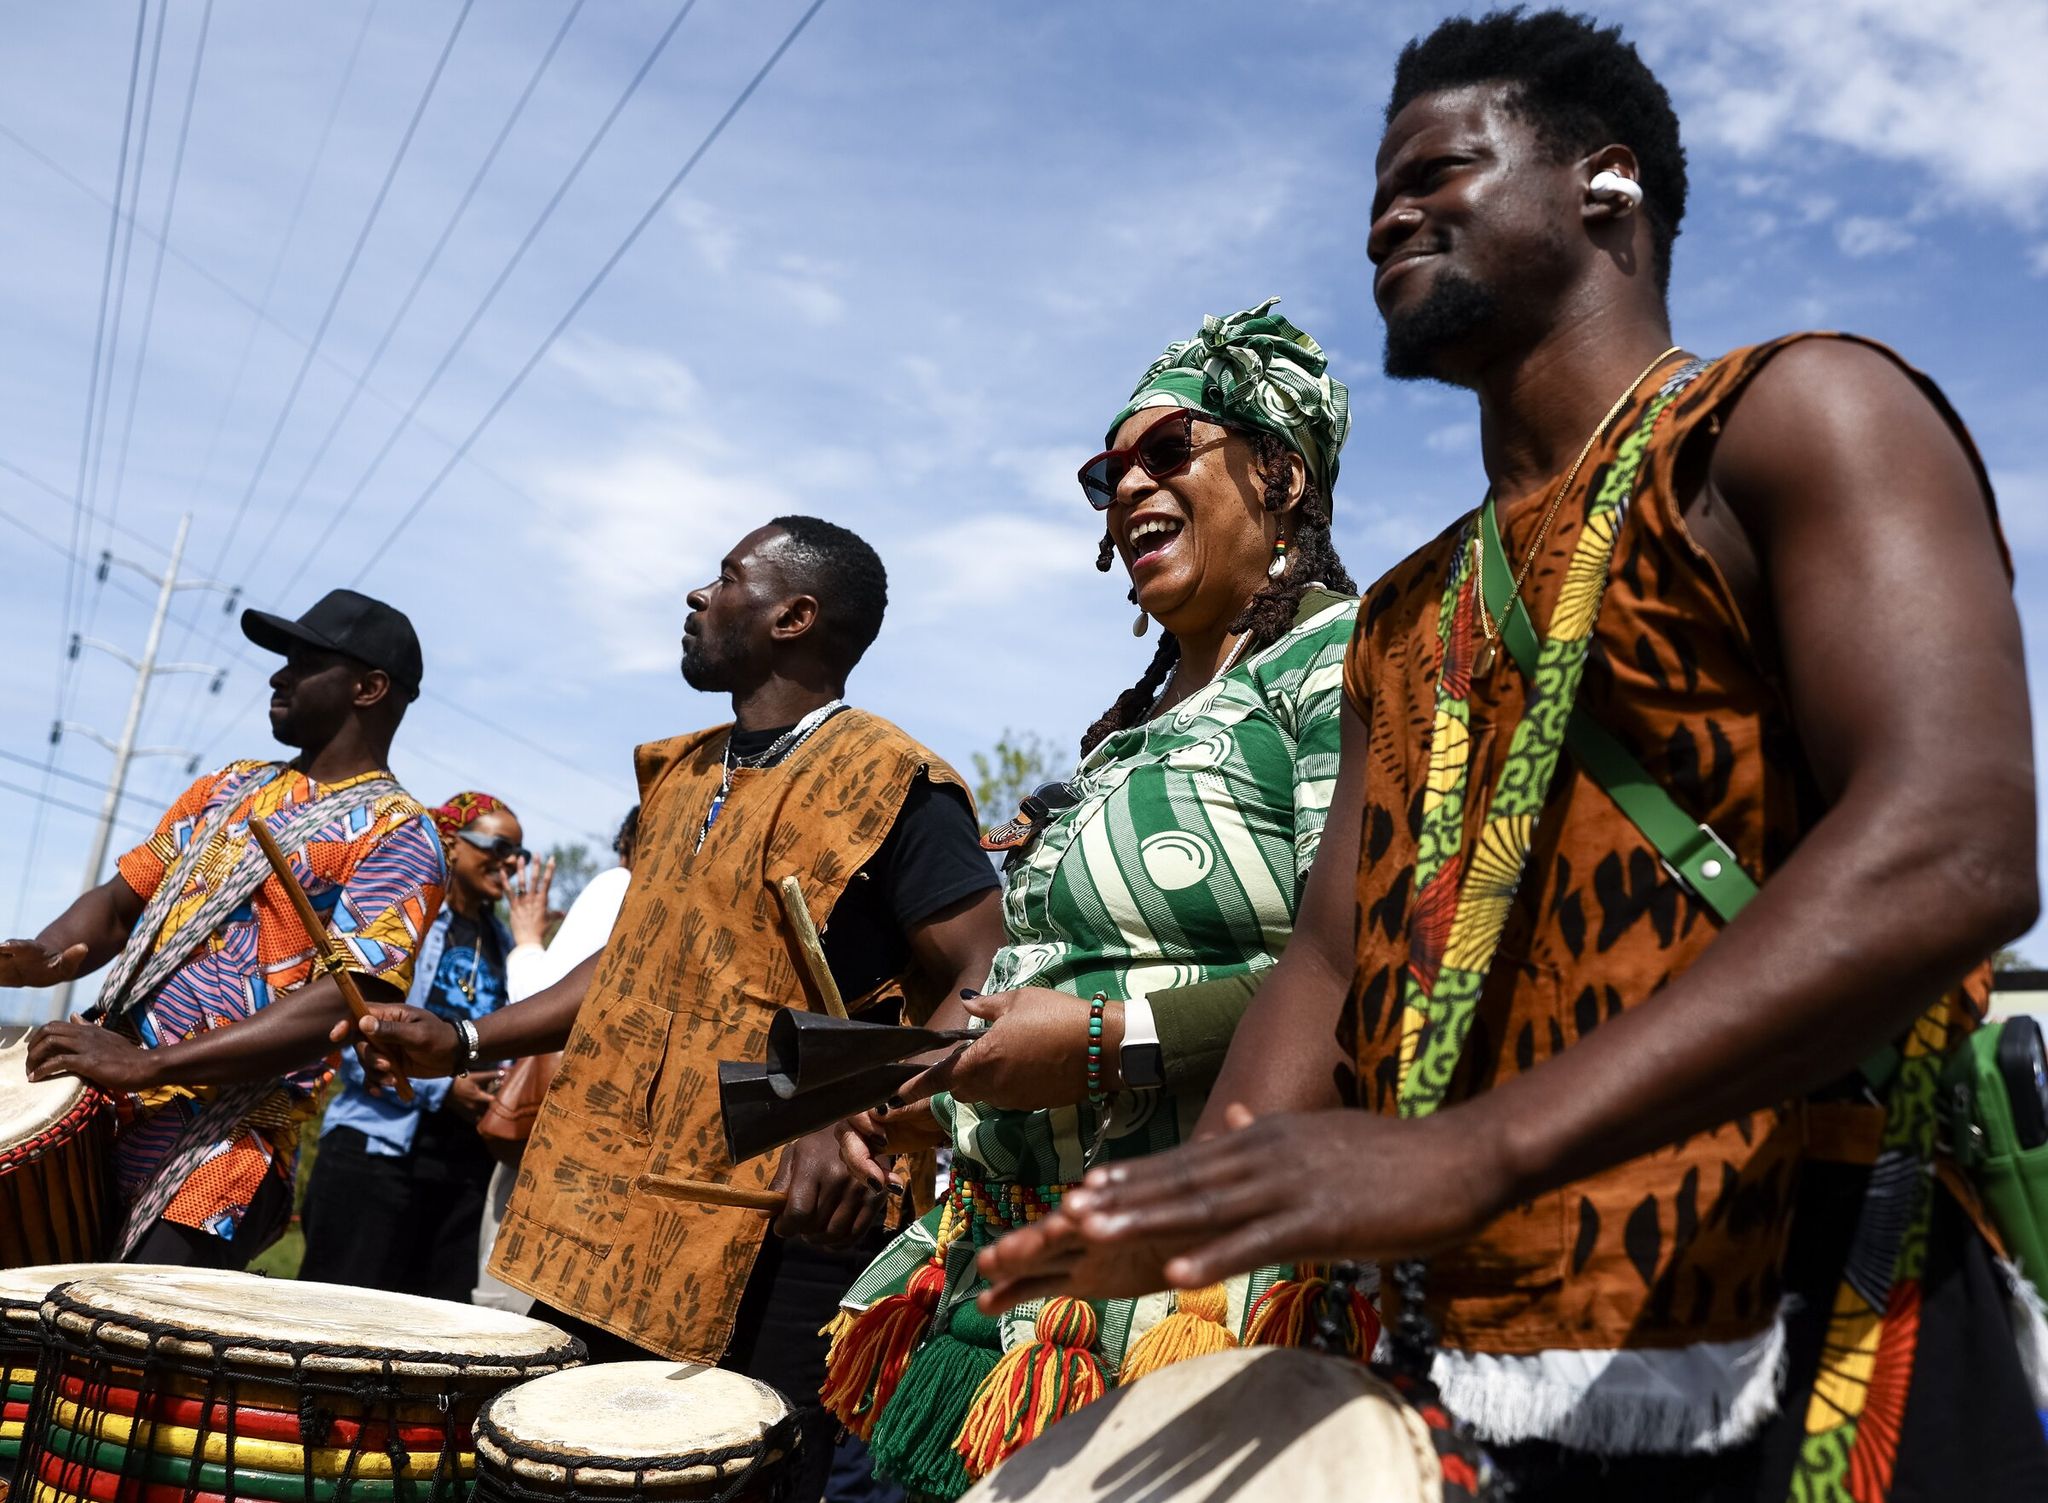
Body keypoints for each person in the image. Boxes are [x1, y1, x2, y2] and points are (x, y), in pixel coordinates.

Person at [979, 12, 2046, 1502]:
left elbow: (1959, 840)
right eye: (1375, 198)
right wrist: (1204, 1184)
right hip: (1475, 1344)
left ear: (1606, 184)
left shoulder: (1796, 415)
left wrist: (1478, 1148)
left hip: (1824, 1304)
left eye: (1441, 172)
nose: (1388, 219)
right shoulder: (1405, 614)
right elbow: (1333, 958)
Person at [337, 516, 1006, 1503]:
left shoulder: (897, 784)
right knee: (552, 1475)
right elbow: (635, 963)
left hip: (781, 1231)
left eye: (726, 578)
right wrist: (468, 1036)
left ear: (794, 615)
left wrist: (854, 1111)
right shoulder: (686, 774)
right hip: (605, 1209)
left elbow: (980, 973)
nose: (698, 596)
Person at [819, 301, 1361, 1501]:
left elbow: (1366, 967)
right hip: (998, 1285)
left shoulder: (1341, 664)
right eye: (1104, 473)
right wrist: (941, 1083)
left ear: (1278, 470)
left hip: (1185, 1293)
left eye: (1168, 452)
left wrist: (1115, 1040)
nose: (1126, 488)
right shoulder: (1126, 724)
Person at [9, 588, 443, 1268]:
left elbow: (346, 997)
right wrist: (43, 954)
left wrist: (150, 1064)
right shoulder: (226, 788)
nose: (278, 674)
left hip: (225, 1144)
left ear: (369, 686)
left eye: (304, 660)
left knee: (117, 1348)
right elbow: (122, 904)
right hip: (103, 1103)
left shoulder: (400, 833)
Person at [297, 791, 524, 1299]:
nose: (511, 861)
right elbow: (356, 1025)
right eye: (498, 845)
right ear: (453, 842)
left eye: (519, 853)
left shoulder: (505, 941)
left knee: (433, 1332)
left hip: (464, 1162)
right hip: (377, 1151)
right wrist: (442, 1092)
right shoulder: (406, 919)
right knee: (341, 1317)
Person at [470, 804, 640, 1313]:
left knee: (509, 1313)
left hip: (553, 1142)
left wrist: (526, 941)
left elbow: (542, 1014)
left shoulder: (619, 884)